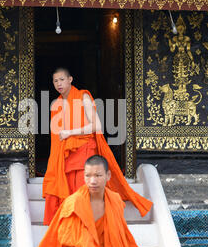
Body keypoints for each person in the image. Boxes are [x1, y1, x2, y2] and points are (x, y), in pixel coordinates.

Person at [42, 67, 152, 225]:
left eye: (61, 79)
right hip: (66, 154)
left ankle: (91, 225)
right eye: (55, 81)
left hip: (84, 151)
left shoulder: (83, 96)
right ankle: (74, 227)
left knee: (84, 190)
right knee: (71, 192)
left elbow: (96, 125)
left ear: (70, 79)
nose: (58, 83)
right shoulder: (58, 104)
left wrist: (70, 132)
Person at [27, 155, 154, 247]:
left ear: (108, 175)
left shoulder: (115, 200)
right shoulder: (74, 203)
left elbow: (124, 236)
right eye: (88, 176)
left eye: (98, 175)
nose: (92, 181)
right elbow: (73, 245)